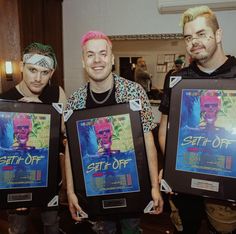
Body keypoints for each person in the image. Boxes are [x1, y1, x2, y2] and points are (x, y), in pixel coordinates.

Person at [65, 30, 164, 234]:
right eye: (90, 54)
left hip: (131, 186)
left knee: (131, 229)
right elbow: (71, 151)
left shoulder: (134, 93)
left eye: (102, 53)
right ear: (83, 61)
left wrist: (154, 186)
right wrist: (70, 191)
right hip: (96, 188)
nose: (97, 60)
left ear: (111, 59)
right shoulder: (74, 102)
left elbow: (148, 140)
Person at [158, 5, 236, 234]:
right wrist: (171, 166)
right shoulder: (177, 79)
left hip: (227, 183)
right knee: (186, 226)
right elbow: (165, 128)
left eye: (201, 34)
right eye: (188, 37)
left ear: (218, 35)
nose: (194, 42)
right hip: (185, 181)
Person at [0, 42, 67, 234]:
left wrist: (42, 112)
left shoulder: (56, 93)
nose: (38, 78)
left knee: (52, 224)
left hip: (50, 178)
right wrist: (9, 191)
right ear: (22, 66)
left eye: (44, 72)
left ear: (51, 73)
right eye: (32, 70)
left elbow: (66, 131)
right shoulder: (5, 101)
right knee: (18, 228)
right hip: (15, 179)